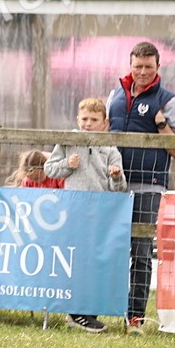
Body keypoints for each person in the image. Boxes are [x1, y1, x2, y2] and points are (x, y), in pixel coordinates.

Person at [107, 41, 175, 335]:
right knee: (107, 249)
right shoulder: (115, 94)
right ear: (130, 65)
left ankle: (135, 317)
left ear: (157, 68)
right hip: (112, 184)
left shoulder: (169, 101)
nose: (142, 72)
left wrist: (162, 125)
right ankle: (97, 310)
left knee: (140, 251)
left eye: (148, 67)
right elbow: (102, 132)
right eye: (137, 66)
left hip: (147, 185)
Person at [44, 97, 128, 333]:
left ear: (105, 123)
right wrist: (67, 166)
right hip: (74, 210)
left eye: (94, 120)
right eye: (84, 119)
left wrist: (115, 176)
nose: (88, 124)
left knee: (95, 262)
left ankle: (88, 312)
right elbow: (49, 168)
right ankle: (76, 311)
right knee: (75, 261)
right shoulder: (68, 142)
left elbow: (120, 189)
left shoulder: (111, 149)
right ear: (77, 120)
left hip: (100, 213)